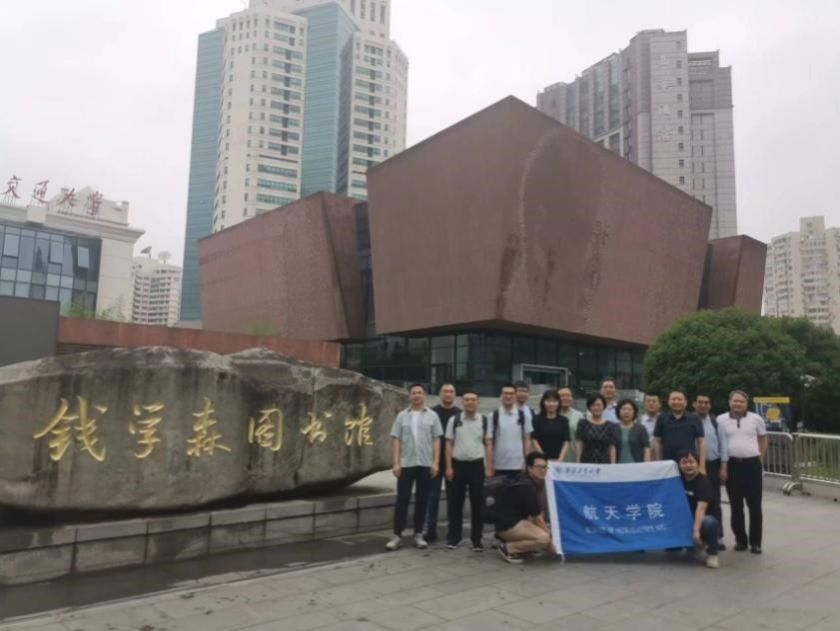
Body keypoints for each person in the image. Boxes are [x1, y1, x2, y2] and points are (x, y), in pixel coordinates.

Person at [386, 384, 444, 551]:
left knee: (422, 499)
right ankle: (397, 535)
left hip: (425, 464)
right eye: (413, 393)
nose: (417, 395)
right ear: (409, 396)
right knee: (402, 499)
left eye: (419, 392)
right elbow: (396, 439)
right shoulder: (402, 416)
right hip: (406, 464)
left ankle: (418, 534)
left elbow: (436, 440)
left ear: (424, 395)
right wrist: (396, 463)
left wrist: (435, 463)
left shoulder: (432, 416)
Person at [718, 390, 767, 554]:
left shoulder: (756, 419)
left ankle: (756, 543)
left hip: (752, 465)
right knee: (736, 505)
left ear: (746, 404)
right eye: (735, 401)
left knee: (755, 506)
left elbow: (763, 439)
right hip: (732, 465)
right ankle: (740, 540)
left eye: (741, 401)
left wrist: (760, 459)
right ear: (729, 402)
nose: (738, 404)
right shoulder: (721, 420)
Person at [444, 388, 493, 551]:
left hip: (477, 466)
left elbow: (488, 444)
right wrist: (449, 467)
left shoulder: (484, 420)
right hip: (458, 465)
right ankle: (454, 537)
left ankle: (476, 539)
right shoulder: (454, 420)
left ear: (478, 402)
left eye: (473, 399)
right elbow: (448, 444)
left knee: (477, 504)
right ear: (462, 402)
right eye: (467, 400)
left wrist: (489, 467)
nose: (470, 402)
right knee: (455, 503)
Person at [495, 451, 553, 563]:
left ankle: (526, 547)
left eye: (545, 467)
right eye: (539, 467)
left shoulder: (527, 480)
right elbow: (538, 518)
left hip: (514, 522)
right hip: (507, 526)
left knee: (543, 528)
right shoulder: (527, 486)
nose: (543, 470)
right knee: (544, 538)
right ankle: (508, 548)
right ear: (529, 468)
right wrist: (550, 543)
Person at [426, 383, 461, 543]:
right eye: (445, 391)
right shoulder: (432, 413)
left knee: (453, 498)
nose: (448, 394)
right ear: (440, 393)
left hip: (453, 463)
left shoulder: (459, 414)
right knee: (432, 497)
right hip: (434, 461)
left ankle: (452, 532)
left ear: (455, 394)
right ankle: (430, 531)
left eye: (451, 391)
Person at [694, 393, 728, 550]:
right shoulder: (690, 421)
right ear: (694, 404)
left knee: (714, 502)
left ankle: (718, 536)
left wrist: (723, 467)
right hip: (693, 466)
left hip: (713, 465)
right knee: (695, 502)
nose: (703, 405)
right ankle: (697, 535)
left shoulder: (716, 423)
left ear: (710, 405)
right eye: (700, 402)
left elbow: (724, 445)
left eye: (706, 402)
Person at [677, 449, 721, 569]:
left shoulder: (703, 482)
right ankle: (692, 546)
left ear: (697, 464)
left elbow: (701, 509)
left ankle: (712, 554)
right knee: (672, 548)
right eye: (684, 462)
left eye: (691, 462)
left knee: (709, 522)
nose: (688, 465)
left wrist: (696, 531)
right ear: (679, 465)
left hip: (703, 519)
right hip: (687, 519)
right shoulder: (679, 481)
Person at [652, 390, 706, 472]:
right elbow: (657, 442)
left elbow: (701, 442)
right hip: (667, 465)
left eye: (679, 399)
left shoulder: (694, 418)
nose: (676, 402)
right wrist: (658, 463)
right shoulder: (662, 418)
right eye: (673, 399)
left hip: (689, 464)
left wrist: (702, 466)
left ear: (685, 402)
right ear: (668, 402)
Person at [489, 384, 533, 477]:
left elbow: (527, 440)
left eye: (511, 393)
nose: (508, 396)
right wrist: (489, 464)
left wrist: (527, 462)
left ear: (515, 396)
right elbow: (489, 442)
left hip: (519, 465)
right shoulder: (493, 416)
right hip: (498, 465)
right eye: (505, 393)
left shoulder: (524, 416)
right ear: (500, 396)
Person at [575, 393, 619, 464]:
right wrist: (578, 461)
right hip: (586, 462)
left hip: (604, 463)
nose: (596, 408)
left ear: (604, 406)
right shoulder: (582, 423)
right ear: (589, 407)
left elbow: (611, 447)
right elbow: (579, 444)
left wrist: (613, 465)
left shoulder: (611, 426)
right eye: (593, 405)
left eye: (599, 405)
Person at [531, 390, 571, 461]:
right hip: (540, 459)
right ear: (543, 402)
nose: (551, 404)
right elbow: (534, 440)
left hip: (559, 460)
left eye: (554, 401)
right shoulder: (536, 419)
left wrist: (560, 459)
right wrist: (543, 458)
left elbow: (566, 441)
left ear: (559, 403)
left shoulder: (564, 420)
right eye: (548, 401)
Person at [615, 399, 650, 463]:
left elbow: (646, 448)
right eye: (623, 409)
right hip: (618, 466)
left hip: (636, 466)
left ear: (634, 412)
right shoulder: (613, 428)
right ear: (618, 411)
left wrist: (646, 465)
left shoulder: (640, 429)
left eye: (629, 409)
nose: (626, 412)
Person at [559, 387, 584, 463]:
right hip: (555, 459)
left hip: (574, 459)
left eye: (568, 395)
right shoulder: (552, 415)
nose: (565, 398)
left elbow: (582, 440)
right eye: (562, 396)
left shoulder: (579, 415)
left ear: (572, 399)